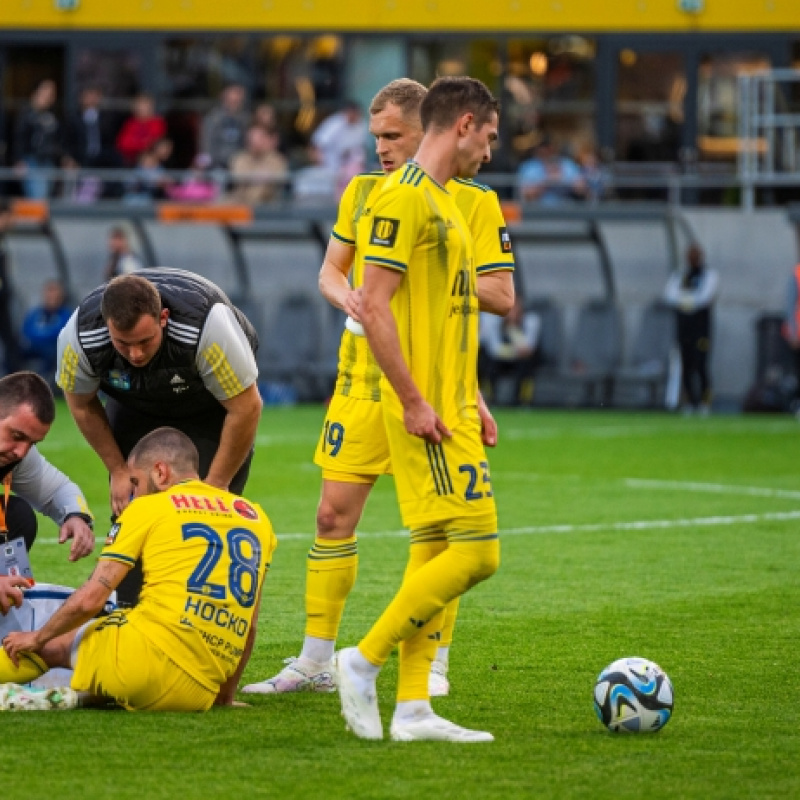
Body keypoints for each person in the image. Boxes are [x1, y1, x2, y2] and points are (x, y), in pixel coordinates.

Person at [242, 78, 514, 701]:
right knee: (331, 515)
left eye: (393, 136)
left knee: (444, 533)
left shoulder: (474, 202)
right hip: (363, 379)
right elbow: (332, 274)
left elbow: (500, 296)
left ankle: (433, 661)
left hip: (431, 379)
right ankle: (315, 660)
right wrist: (364, 304)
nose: (382, 148)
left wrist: (418, 278)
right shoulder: (364, 192)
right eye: (377, 137)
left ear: (431, 129)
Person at [329, 76, 503, 743]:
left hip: (453, 405)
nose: (488, 153)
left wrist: (474, 397)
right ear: (464, 124)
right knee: (479, 552)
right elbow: (372, 304)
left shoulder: (443, 201)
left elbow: (441, 312)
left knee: (434, 550)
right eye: (487, 138)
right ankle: (361, 659)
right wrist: (414, 401)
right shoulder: (403, 200)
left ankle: (413, 709)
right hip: (426, 411)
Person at [0, 426, 276, 712]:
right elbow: (251, 626)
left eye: (135, 481)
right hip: (199, 692)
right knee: (111, 644)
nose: (133, 493)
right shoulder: (256, 517)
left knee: (54, 644)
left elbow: (92, 598)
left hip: (143, 665)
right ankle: (84, 695)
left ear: (160, 472)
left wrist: (37, 637)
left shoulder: (149, 507)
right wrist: (225, 696)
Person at [55, 269, 262, 606]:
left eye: (144, 341)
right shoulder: (78, 338)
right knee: (133, 513)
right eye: (123, 343)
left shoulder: (207, 330)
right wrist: (119, 470)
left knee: (206, 514)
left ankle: (199, 617)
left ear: (163, 318)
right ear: (107, 325)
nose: (135, 354)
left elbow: (247, 408)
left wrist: (216, 484)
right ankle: (129, 612)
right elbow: (80, 405)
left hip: (210, 404)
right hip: (135, 404)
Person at [0, 371, 94, 562]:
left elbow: (58, 490)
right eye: (17, 436)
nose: (21, 452)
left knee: (17, 516)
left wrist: (76, 517)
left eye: (32, 443)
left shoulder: (16, 455)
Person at [663, 243, 719, 415]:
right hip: (684, 328)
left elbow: (705, 297)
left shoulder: (708, 275)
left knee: (701, 363)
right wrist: (689, 300)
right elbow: (669, 295)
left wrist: (685, 300)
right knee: (686, 364)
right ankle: (688, 400)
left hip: (701, 329)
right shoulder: (681, 275)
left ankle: (704, 401)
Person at [479, 296, 540, 406]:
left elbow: (528, 348)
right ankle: (491, 398)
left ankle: (521, 400)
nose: (511, 312)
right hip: (500, 359)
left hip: (520, 360)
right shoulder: (494, 321)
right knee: (488, 363)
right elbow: (494, 349)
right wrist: (515, 351)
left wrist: (513, 328)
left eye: (515, 308)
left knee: (527, 363)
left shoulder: (531, 320)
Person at [13, 80, 63, 200]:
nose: (49, 96)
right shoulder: (26, 115)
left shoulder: (54, 116)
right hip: (32, 161)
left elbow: (59, 140)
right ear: (36, 93)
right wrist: (18, 160)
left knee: (46, 198)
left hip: (49, 161)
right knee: (37, 197)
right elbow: (18, 139)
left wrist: (61, 157)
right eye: (46, 92)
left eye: (52, 94)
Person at [20, 279, 73, 385]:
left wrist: (40, 334)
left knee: (51, 351)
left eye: (54, 293)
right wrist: (43, 335)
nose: (51, 297)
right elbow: (26, 330)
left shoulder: (66, 314)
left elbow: (59, 333)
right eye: (49, 293)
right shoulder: (35, 313)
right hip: (33, 346)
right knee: (13, 350)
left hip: (54, 349)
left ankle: (43, 383)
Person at [311, 100, 368, 184]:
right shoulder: (335, 123)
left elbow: (360, 146)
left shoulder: (362, 125)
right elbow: (318, 142)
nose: (355, 117)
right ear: (347, 112)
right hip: (331, 160)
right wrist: (319, 159)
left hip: (350, 161)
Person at [229, 125, 288, 205]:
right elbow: (239, 177)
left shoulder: (277, 159)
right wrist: (260, 176)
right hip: (242, 203)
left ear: (265, 139)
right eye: (252, 139)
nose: (255, 142)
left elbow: (280, 179)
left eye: (259, 138)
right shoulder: (240, 159)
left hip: (269, 204)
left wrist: (258, 177)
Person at [517, 136, 586, 205]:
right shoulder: (529, 166)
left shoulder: (567, 164)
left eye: (549, 148)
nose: (546, 151)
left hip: (567, 209)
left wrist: (562, 180)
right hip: (538, 210)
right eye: (543, 148)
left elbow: (581, 189)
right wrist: (547, 182)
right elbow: (527, 195)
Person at [199, 83, 249, 171]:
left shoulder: (246, 119)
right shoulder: (213, 118)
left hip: (241, 164)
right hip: (217, 165)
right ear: (223, 95)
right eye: (235, 93)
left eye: (240, 94)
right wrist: (206, 164)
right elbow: (206, 145)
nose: (238, 97)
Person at [0, 200, 23, 375]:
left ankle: (13, 380)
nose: (12, 221)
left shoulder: (3, 239)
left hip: (3, 297)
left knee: (10, 340)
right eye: (9, 217)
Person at [115, 94, 167, 168]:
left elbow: (154, 143)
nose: (140, 108)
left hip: (153, 162)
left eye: (144, 105)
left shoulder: (157, 122)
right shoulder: (129, 123)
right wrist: (142, 144)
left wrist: (136, 143)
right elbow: (123, 144)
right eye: (138, 105)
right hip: (131, 161)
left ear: (151, 107)